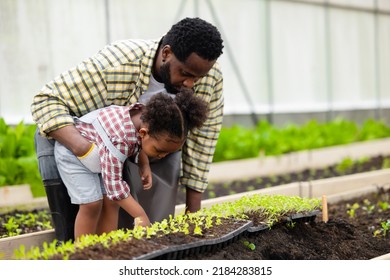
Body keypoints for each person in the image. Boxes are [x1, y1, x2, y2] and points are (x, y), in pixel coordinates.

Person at [31, 17, 224, 242]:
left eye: (198, 77)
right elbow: (45, 101)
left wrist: (193, 216)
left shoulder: (209, 75)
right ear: (166, 53)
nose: (191, 84)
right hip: (92, 146)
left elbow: (203, 140)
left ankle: (112, 249)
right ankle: (75, 249)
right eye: (186, 74)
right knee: (87, 205)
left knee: (150, 236)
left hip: (138, 149)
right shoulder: (118, 63)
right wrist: (85, 150)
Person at [54, 90, 208, 240]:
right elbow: (114, 185)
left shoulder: (144, 117)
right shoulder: (120, 139)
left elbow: (138, 143)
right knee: (91, 203)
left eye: (167, 154)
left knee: (111, 202)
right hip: (73, 154)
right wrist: (139, 214)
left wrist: (144, 164)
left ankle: (106, 247)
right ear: (143, 133)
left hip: (98, 155)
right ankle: (82, 253)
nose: (162, 156)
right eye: (160, 151)